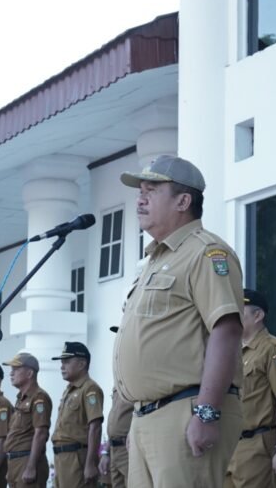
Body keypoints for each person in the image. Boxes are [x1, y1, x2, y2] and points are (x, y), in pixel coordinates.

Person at [113, 155, 245, 487]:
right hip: (147, 417)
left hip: (186, 410)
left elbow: (226, 331)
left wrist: (207, 413)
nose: (140, 198)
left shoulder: (207, 253)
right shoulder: (157, 260)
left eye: (152, 190)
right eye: (140, 190)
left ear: (183, 201)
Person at [226, 289, 276, 488]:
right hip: (229, 445)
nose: (231, 316)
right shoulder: (232, 350)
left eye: (238, 311)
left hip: (257, 445)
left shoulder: (273, 349)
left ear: (257, 315)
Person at [51, 341, 104, 487]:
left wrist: (90, 464)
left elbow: (95, 427)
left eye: (67, 361)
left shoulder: (89, 389)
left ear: (82, 364)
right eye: (62, 362)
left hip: (76, 458)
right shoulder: (70, 390)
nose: (62, 366)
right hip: (61, 458)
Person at [2, 352, 53, 488]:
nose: (11, 373)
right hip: (15, 462)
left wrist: (31, 466)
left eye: (16, 369)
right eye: (11, 370)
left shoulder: (39, 397)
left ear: (30, 373)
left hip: (27, 460)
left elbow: (41, 433)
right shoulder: (21, 399)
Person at [99, 327, 132, 488]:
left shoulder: (139, 374)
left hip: (130, 449)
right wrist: (106, 452)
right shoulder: (119, 375)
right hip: (114, 449)